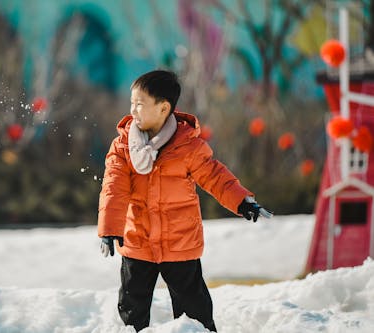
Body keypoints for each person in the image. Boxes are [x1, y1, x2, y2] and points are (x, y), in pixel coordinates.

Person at [97, 69, 272, 332]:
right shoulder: (123, 147)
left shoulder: (187, 146)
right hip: (138, 241)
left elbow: (214, 176)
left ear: (163, 107)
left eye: (140, 104)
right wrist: (110, 229)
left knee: (194, 307)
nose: (133, 110)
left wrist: (241, 200)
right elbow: (114, 188)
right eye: (131, 103)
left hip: (179, 241)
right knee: (132, 305)